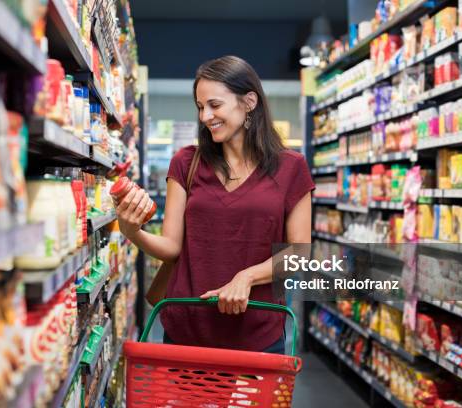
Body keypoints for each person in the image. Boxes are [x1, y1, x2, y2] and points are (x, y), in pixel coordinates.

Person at [114, 55, 314, 354]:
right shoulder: (186, 162)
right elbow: (172, 247)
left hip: (258, 331)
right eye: (200, 107)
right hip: (188, 329)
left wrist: (247, 277)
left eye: (214, 105)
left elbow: (299, 253)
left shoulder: (291, 167)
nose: (205, 116)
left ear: (249, 102)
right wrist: (133, 232)